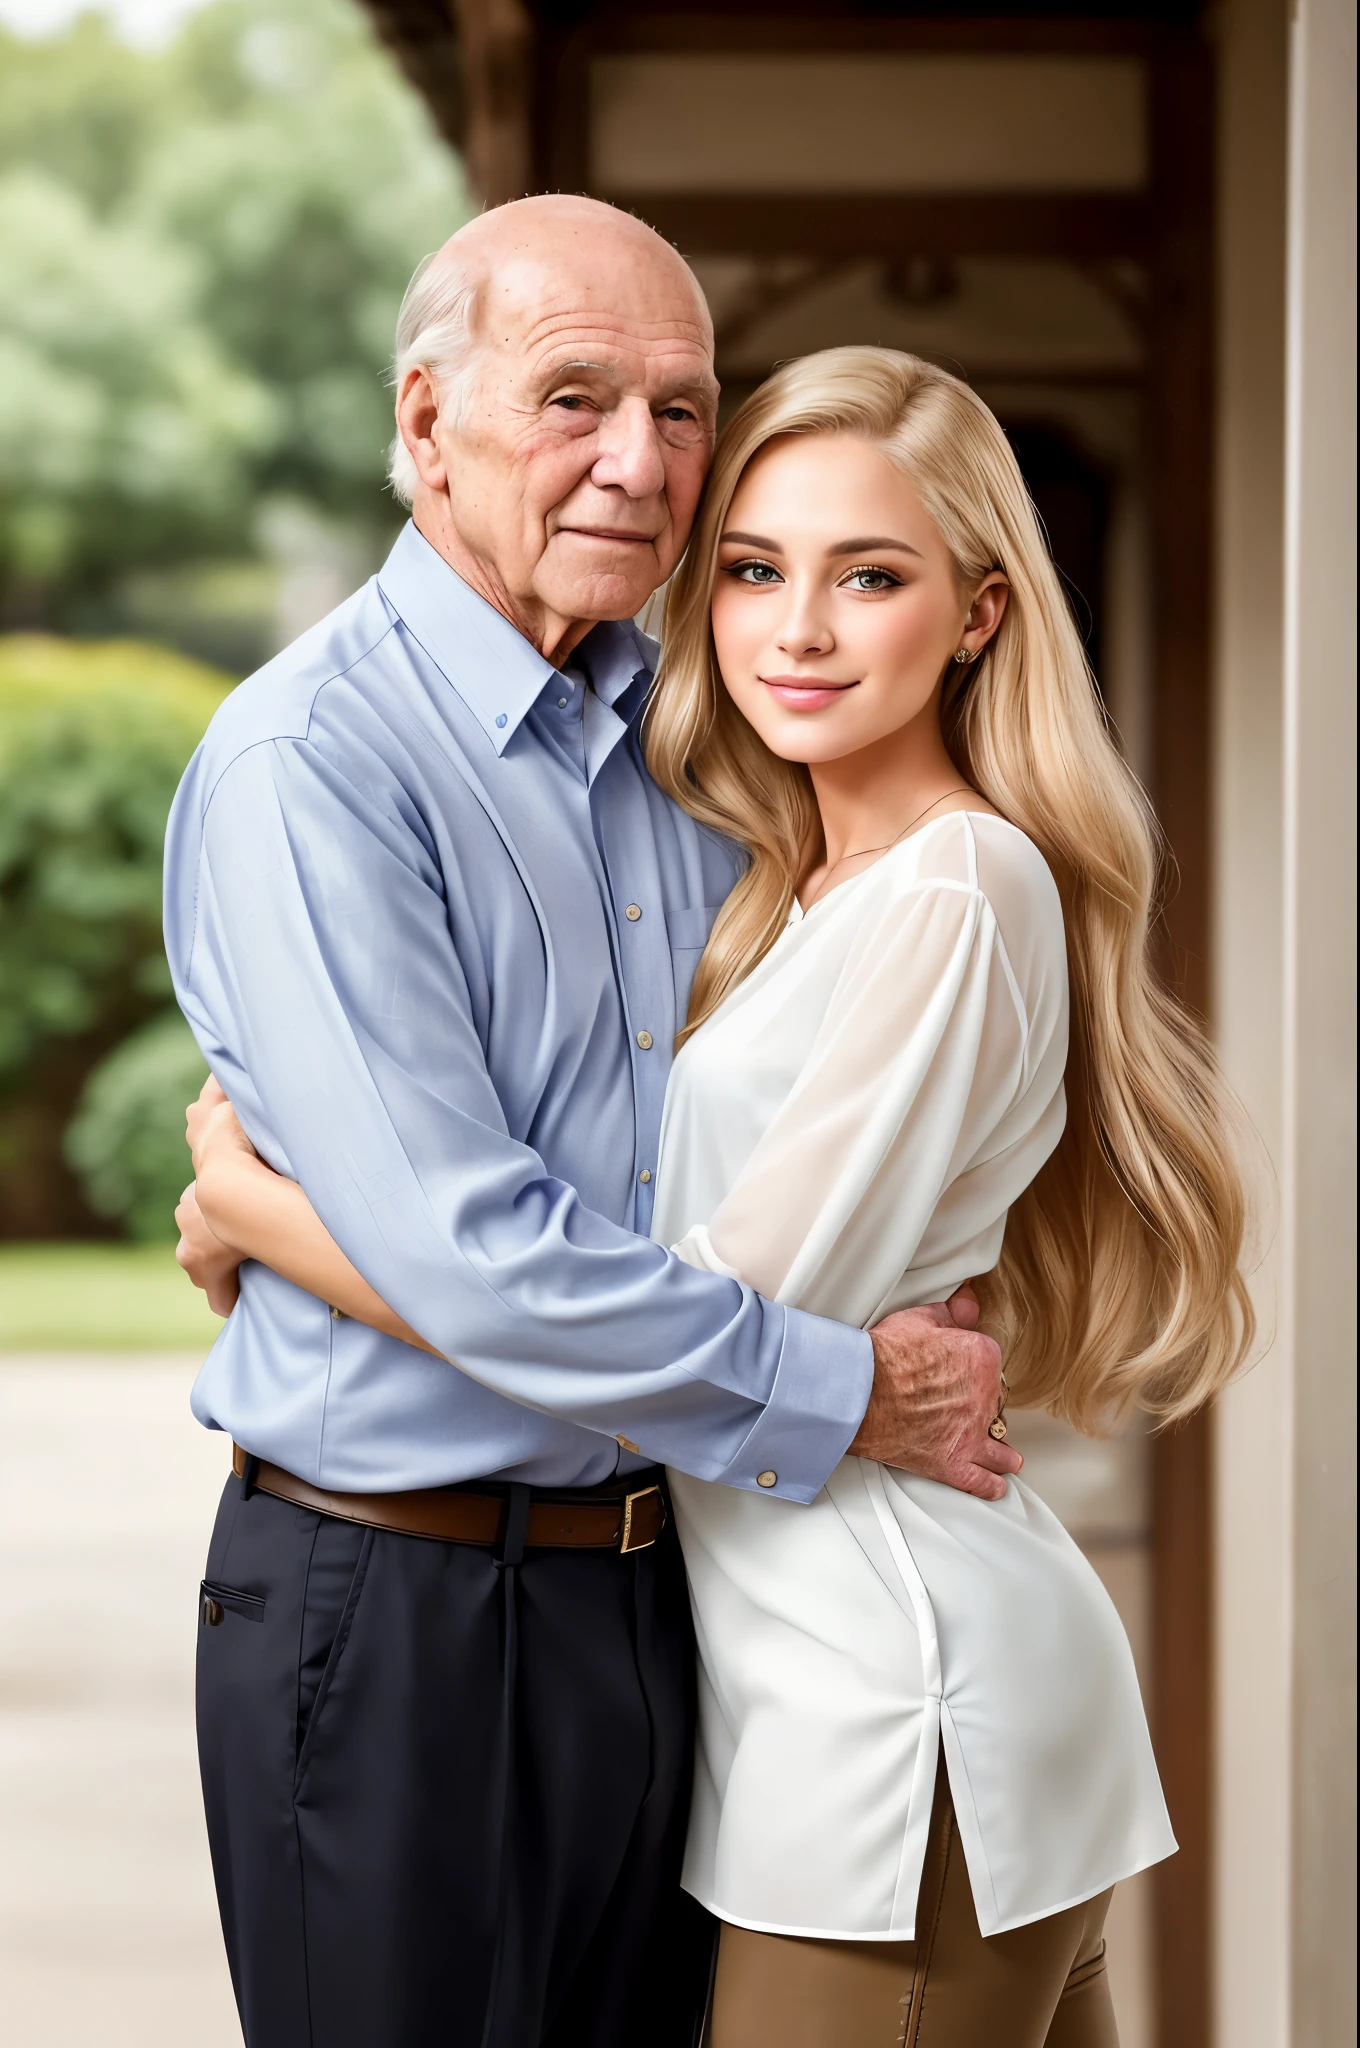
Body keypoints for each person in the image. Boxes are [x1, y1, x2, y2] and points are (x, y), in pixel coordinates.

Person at [187, 346, 1254, 2046]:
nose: (798, 630)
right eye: (755, 570)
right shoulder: (784, 878)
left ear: (980, 615)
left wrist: (262, 1217)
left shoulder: (953, 891)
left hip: (890, 1708)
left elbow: (688, 1317)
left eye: (871, 576)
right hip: (828, 1684)